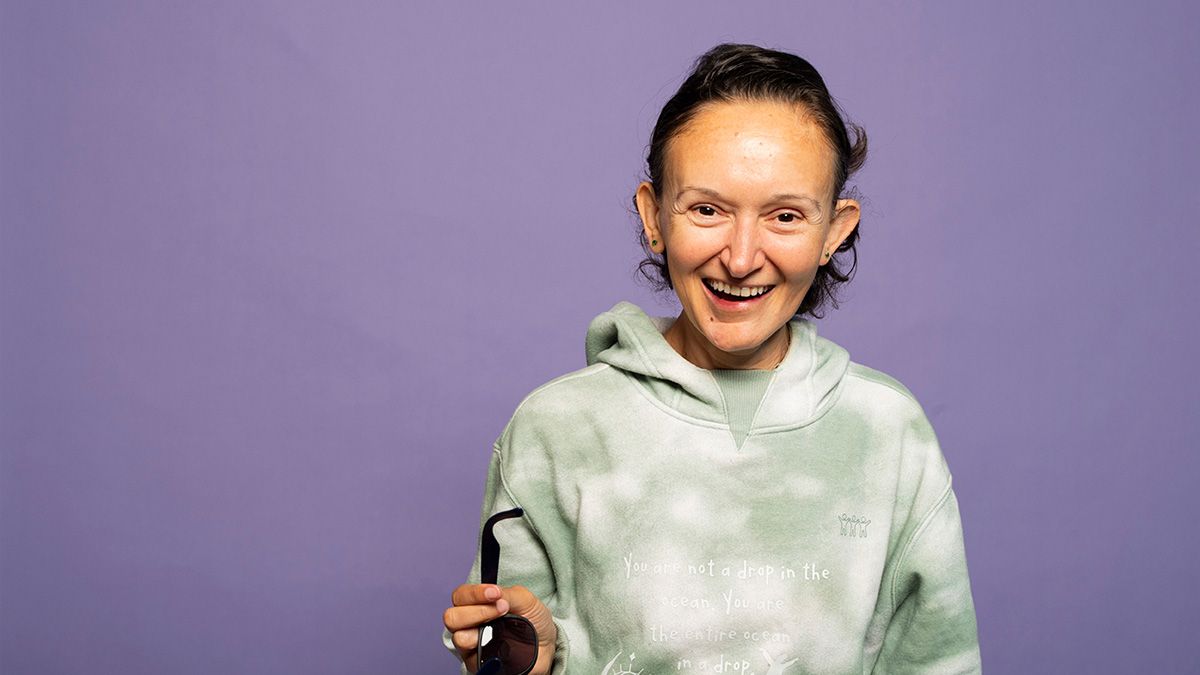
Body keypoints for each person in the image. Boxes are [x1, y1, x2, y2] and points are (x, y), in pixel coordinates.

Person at [443, 43, 981, 674]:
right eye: (707, 209)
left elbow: (938, 664)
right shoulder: (556, 429)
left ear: (834, 231)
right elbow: (507, 660)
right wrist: (520, 655)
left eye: (784, 216)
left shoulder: (889, 433)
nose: (742, 257)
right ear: (653, 217)